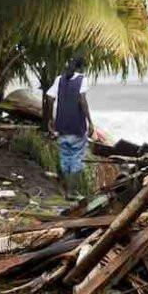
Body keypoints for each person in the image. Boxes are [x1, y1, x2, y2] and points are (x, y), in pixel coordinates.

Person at [46, 56, 93, 198]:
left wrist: (50, 119)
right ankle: (71, 192)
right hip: (77, 126)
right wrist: (90, 122)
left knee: (65, 158)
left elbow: (49, 98)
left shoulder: (59, 79)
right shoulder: (82, 79)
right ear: (81, 67)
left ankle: (65, 189)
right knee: (77, 159)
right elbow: (82, 100)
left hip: (61, 126)